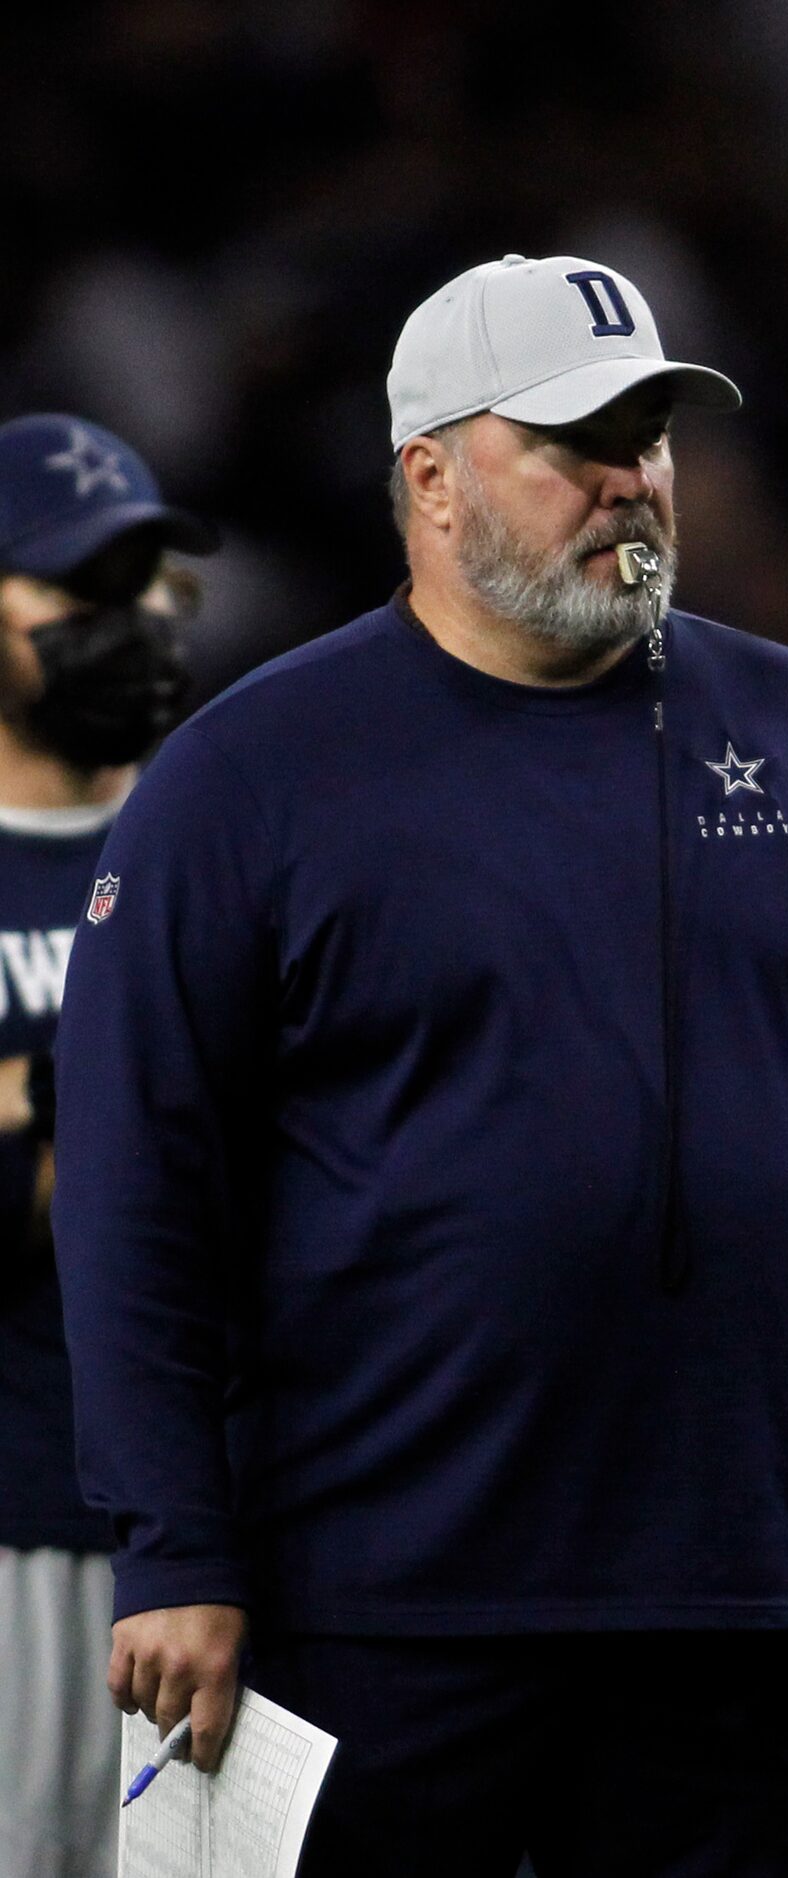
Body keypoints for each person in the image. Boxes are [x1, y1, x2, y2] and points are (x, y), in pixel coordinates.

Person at [51, 254, 788, 1877]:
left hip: (737, 1594)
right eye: (576, 440)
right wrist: (176, 1543)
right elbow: (132, 1190)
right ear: (430, 475)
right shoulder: (244, 777)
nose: (631, 480)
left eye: (650, 435)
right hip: (361, 1605)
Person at [0, 412, 216, 1877]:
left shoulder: (221, 838)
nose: (130, 625)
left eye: (153, 586)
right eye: (84, 592)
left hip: (219, 1534)